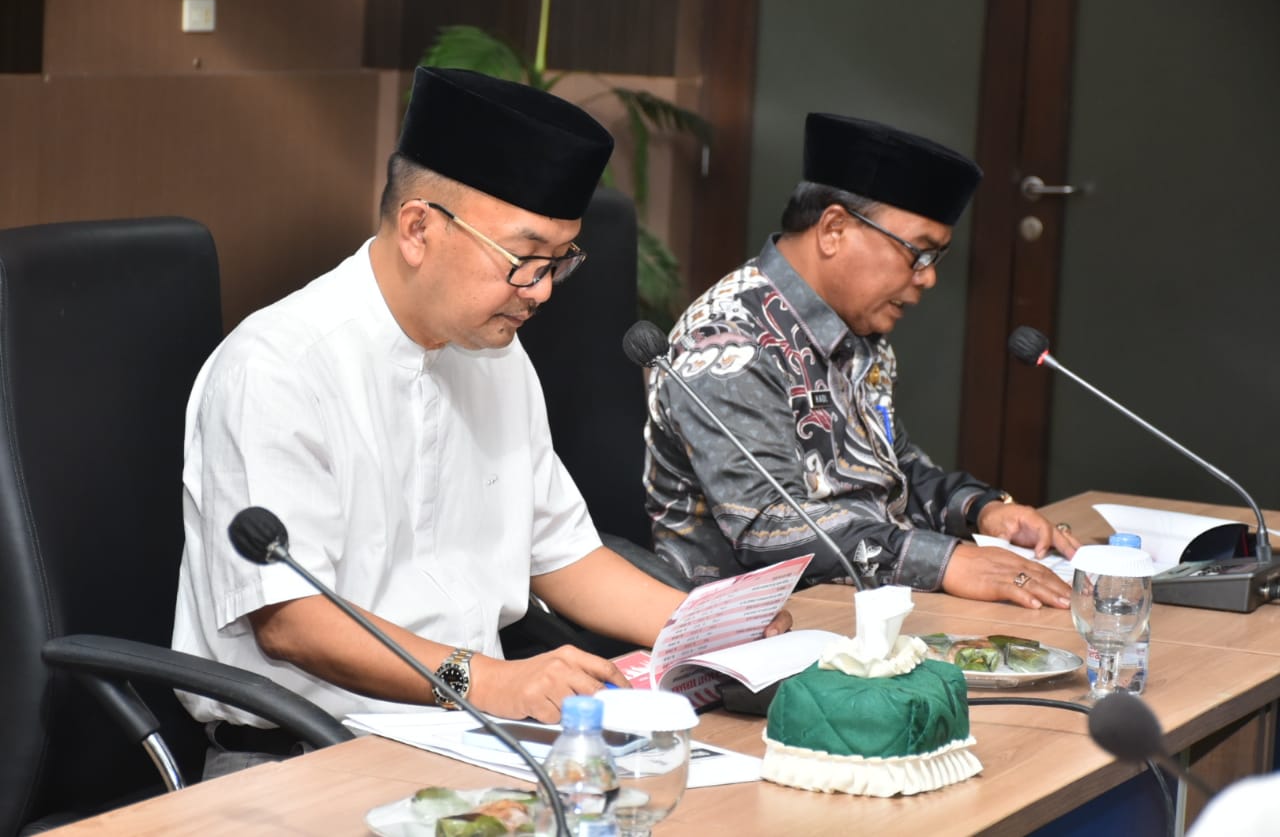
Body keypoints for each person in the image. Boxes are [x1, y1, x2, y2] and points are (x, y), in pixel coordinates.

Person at [172, 67, 789, 773]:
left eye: (562, 262)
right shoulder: (277, 366)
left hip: (473, 740)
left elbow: (566, 557)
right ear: (417, 228)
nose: (545, 291)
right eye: (526, 260)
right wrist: (493, 681)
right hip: (303, 759)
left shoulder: (494, 355)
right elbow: (292, 622)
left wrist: (706, 630)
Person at [643, 112, 1078, 609]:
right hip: (757, 629)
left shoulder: (854, 325)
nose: (928, 278)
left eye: (936, 260)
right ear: (834, 229)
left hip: (862, 604)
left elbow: (887, 472)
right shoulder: (727, 342)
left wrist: (979, 510)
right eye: (918, 253)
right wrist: (946, 561)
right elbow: (768, 525)